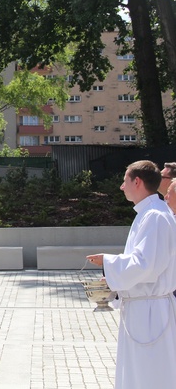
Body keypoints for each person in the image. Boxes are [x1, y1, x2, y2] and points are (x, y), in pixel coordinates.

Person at [87, 160, 176, 389]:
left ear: (137, 181)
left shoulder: (155, 216)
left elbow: (145, 265)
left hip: (151, 313)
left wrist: (108, 261)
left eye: (124, 180)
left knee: (151, 375)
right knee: (139, 375)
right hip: (143, 308)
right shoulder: (148, 213)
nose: (121, 187)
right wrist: (115, 280)